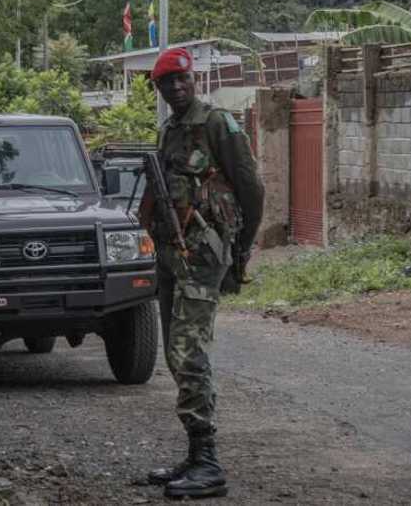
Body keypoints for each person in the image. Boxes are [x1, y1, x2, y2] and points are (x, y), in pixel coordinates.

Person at [141, 47, 264, 499]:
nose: (175, 88)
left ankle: (208, 463)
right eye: (166, 83)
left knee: (188, 351)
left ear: (193, 81)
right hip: (172, 255)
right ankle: (194, 457)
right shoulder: (169, 130)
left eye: (181, 80)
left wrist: (242, 251)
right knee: (175, 356)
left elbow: (251, 188)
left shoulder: (217, 124)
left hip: (204, 255)